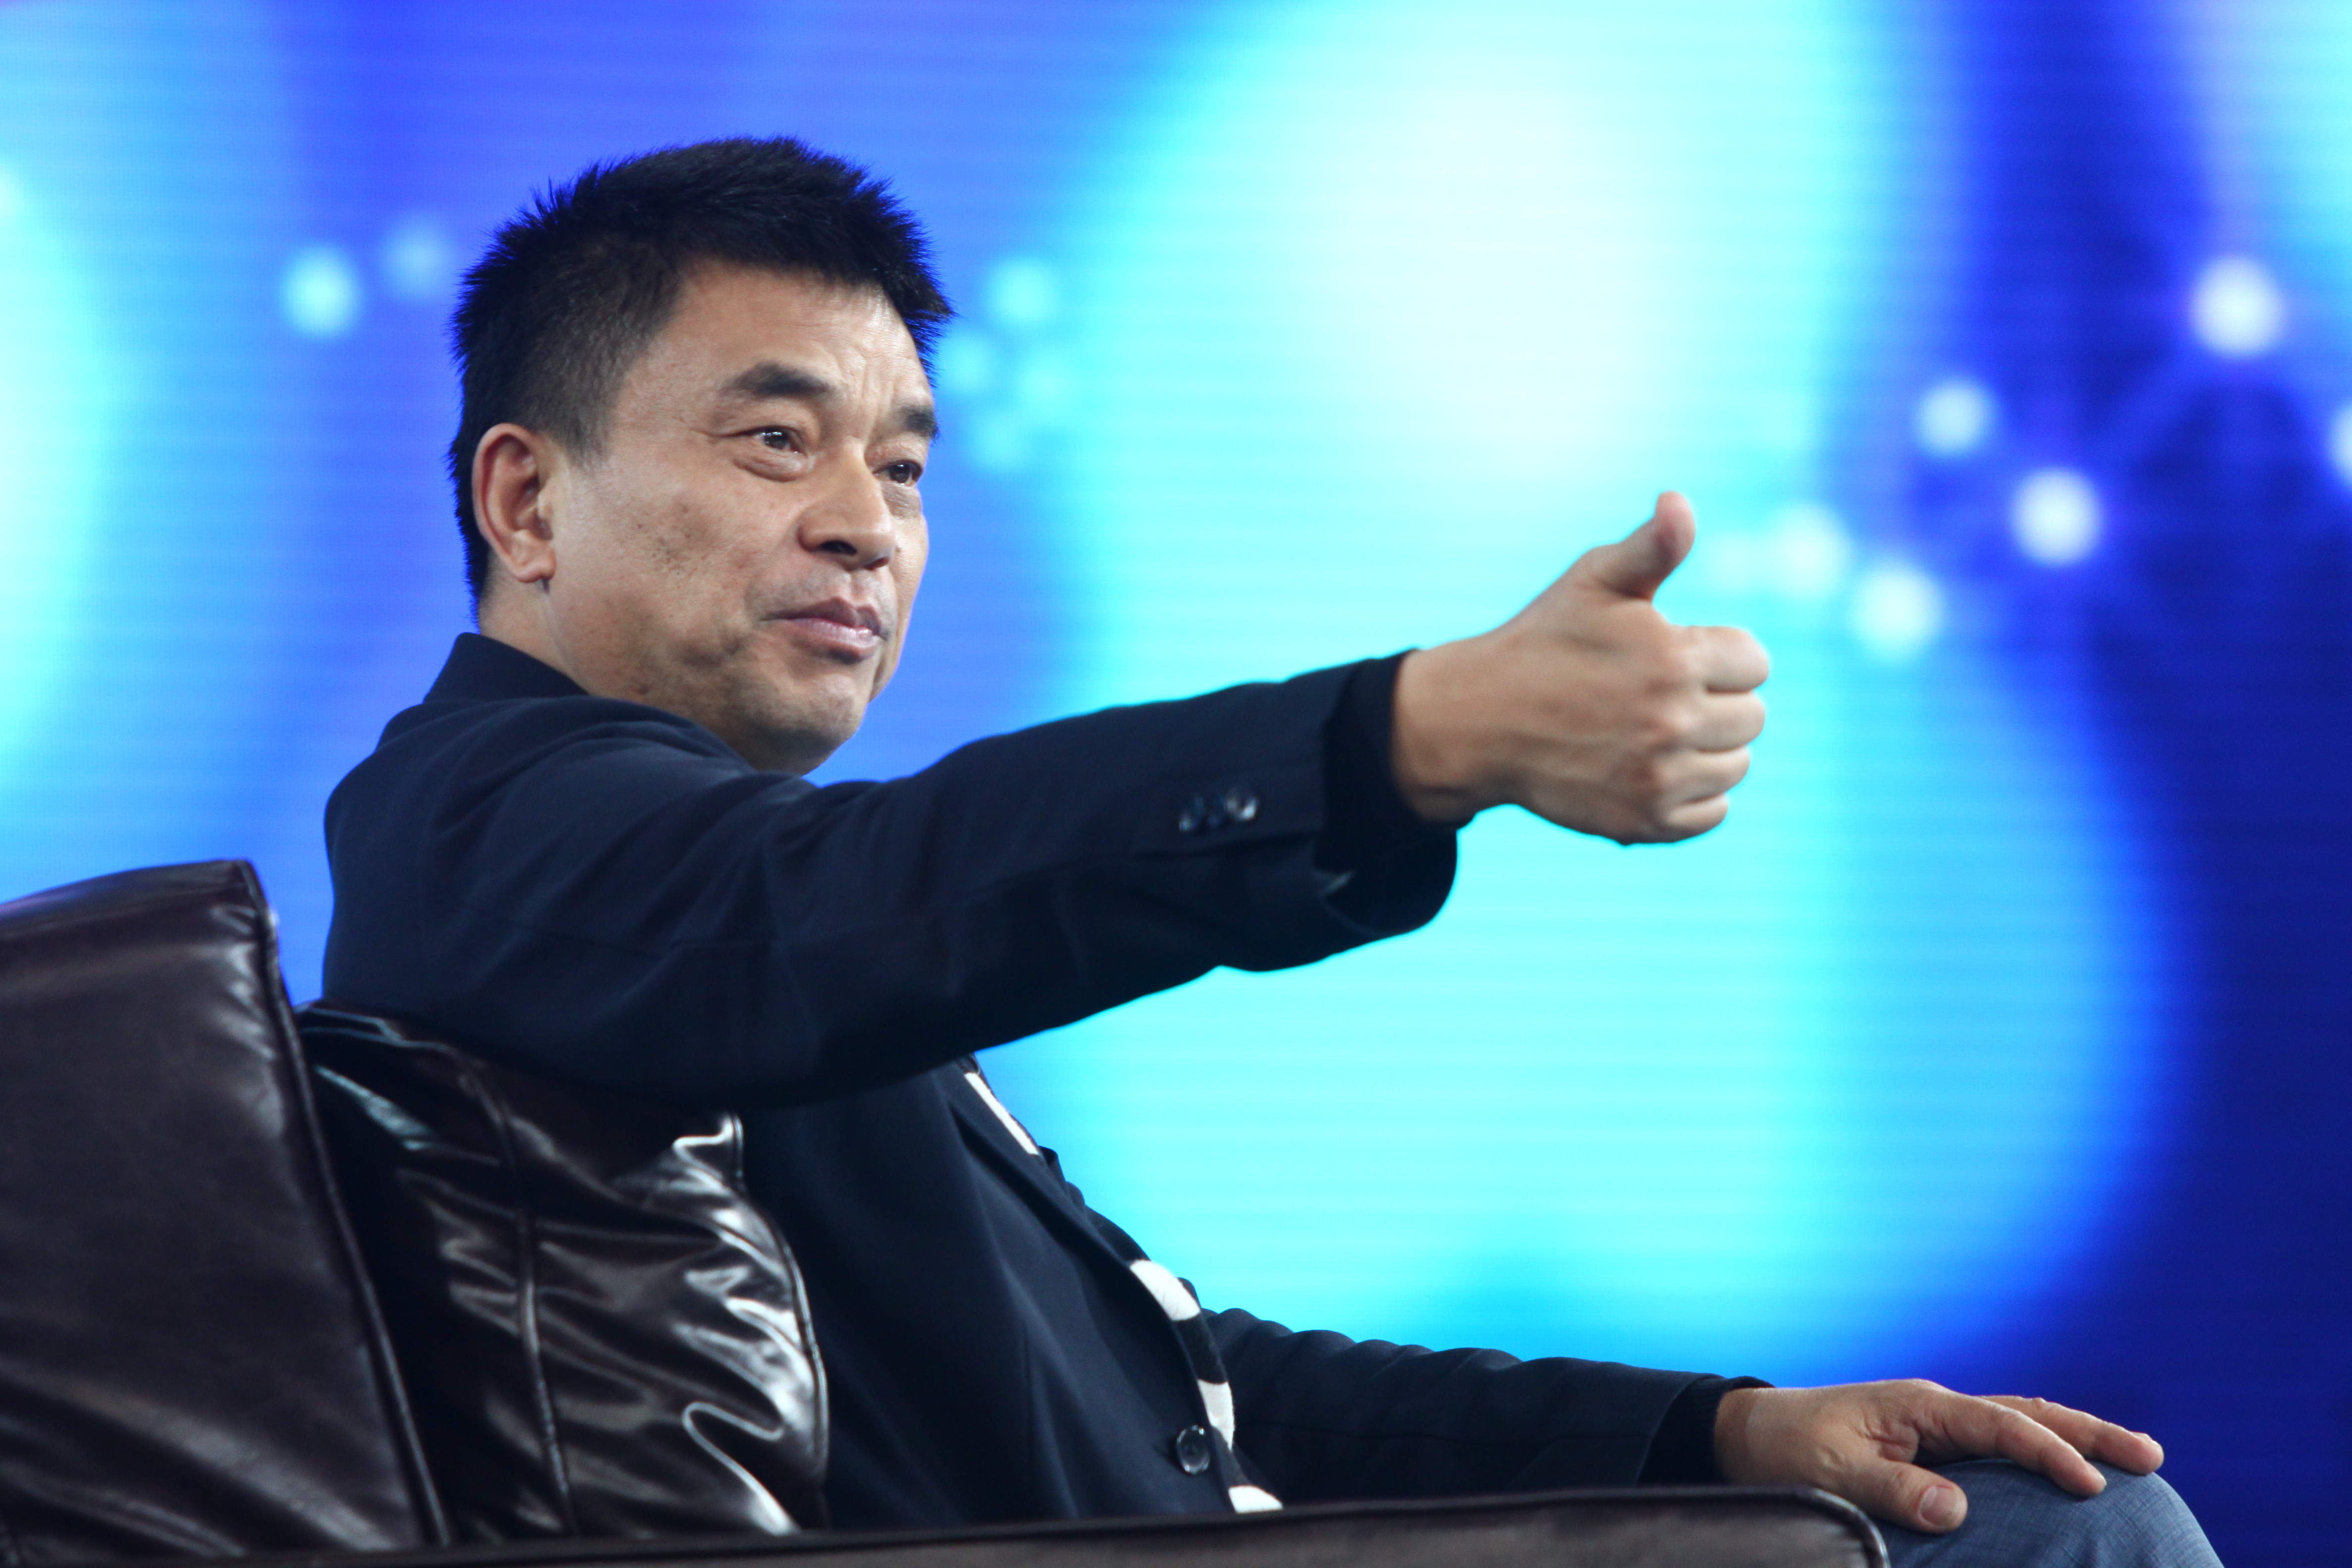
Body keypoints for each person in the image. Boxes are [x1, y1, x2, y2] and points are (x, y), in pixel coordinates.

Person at [321, 137, 2219, 1566]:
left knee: (2024, 1510)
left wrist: (1720, 1435)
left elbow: (1193, 1399)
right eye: (774, 442)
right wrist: (1404, 739)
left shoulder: (722, 919)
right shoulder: (480, 826)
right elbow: (850, 896)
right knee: (2068, 1547)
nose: (868, 526)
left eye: (902, 466)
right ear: (526, 500)